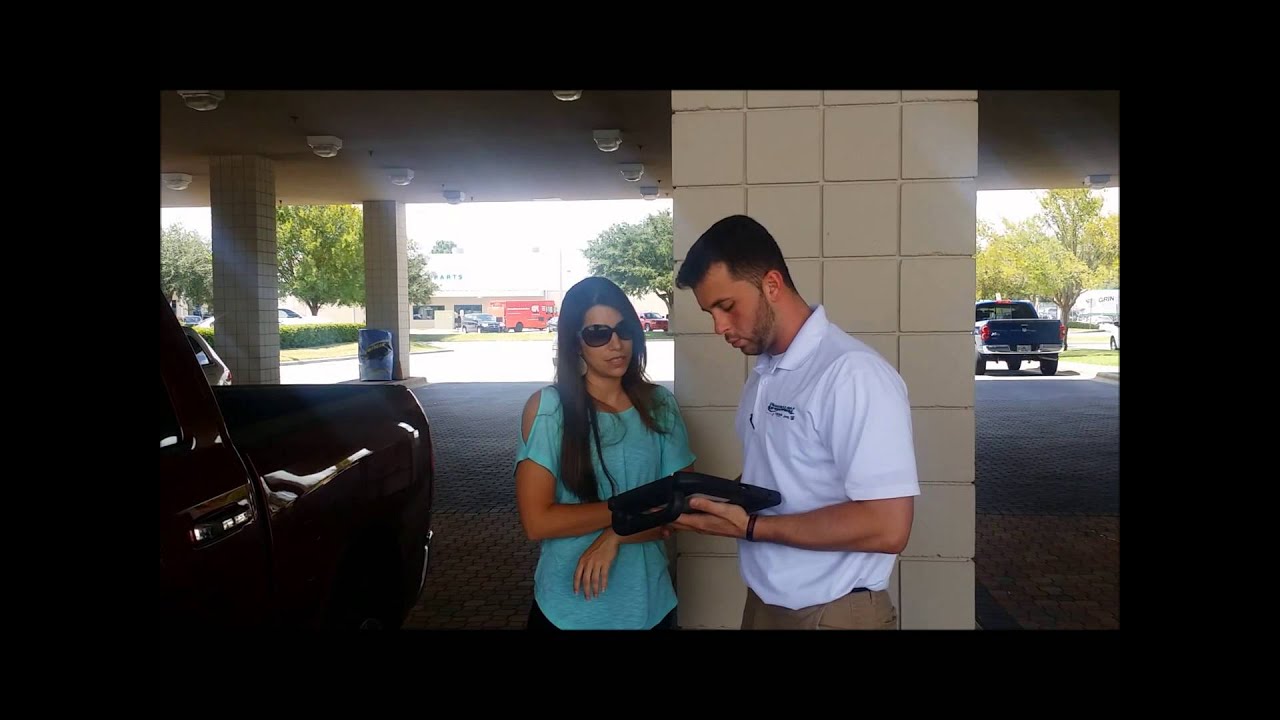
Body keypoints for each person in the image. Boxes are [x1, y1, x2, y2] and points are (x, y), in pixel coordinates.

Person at [671, 215, 919, 630]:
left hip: (834, 611)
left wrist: (752, 527)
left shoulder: (852, 374)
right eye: (709, 312)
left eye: (726, 307)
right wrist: (717, 501)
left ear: (772, 284)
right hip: (764, 602)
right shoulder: (766, 372)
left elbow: (888, 526)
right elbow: (784, 474)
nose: (719, 327)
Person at [514, 276, 695, 630]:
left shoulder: (660, 405)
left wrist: (617, 535)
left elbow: (682, 505)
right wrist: (630, 514)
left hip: (649, 607)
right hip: (568, 610)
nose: (616, 344)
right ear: (575, 343)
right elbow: (538, 521)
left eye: (624, 330)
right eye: (598, 333)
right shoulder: (549, 409)